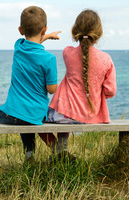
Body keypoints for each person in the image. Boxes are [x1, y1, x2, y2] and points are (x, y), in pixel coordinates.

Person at [0, 6, 61, 172]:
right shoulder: (49, 59)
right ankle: (29, 157)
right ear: (45, 28)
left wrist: (45, 37)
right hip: (37, 114)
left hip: (12, 113)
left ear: (20, 30)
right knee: (28, 119)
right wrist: (47, 36)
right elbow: (51, 89)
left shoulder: (18, 47)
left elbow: (32, 43)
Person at [39, 9, 117, 161]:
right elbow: (110, 91)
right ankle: (60, 151)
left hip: (63, 115)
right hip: (92, 116)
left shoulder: (67, 52)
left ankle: (58, 149)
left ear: (75, 31)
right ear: (99, 33)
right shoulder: (106, 59)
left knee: (33, 118)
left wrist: (45, 37)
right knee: (65, 113)